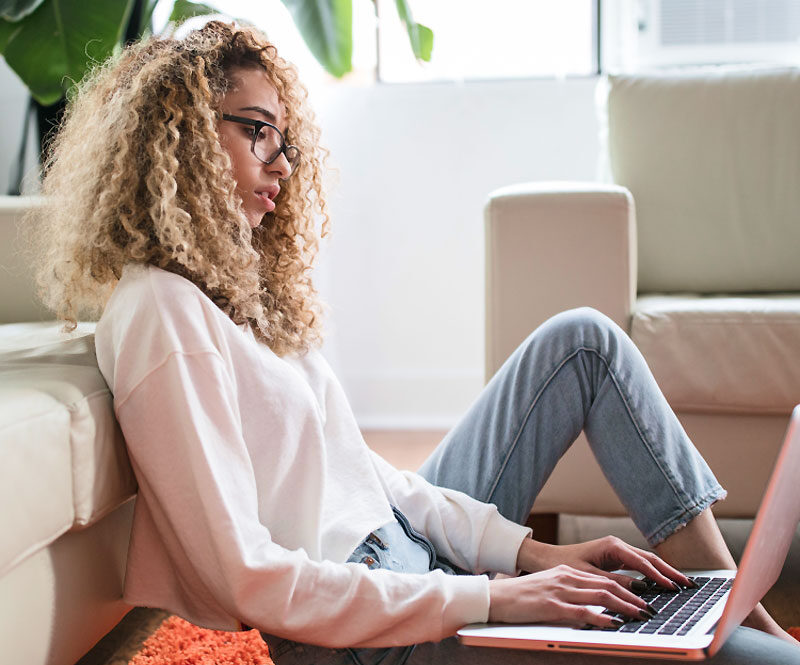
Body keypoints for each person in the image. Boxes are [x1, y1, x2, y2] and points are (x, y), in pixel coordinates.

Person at [30, 20, 800, 665]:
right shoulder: (161, 312)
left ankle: (726, 598)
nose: (283, 163)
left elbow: (365, 476)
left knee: (583, 341)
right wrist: (496, 596)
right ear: (182, 136)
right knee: (738, 660)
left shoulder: (238, 294)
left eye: (285, 138)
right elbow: (246, 576)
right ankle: (730, 626)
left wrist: (527, 554)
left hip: (409, 562)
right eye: (257, 130)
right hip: (369, 635)